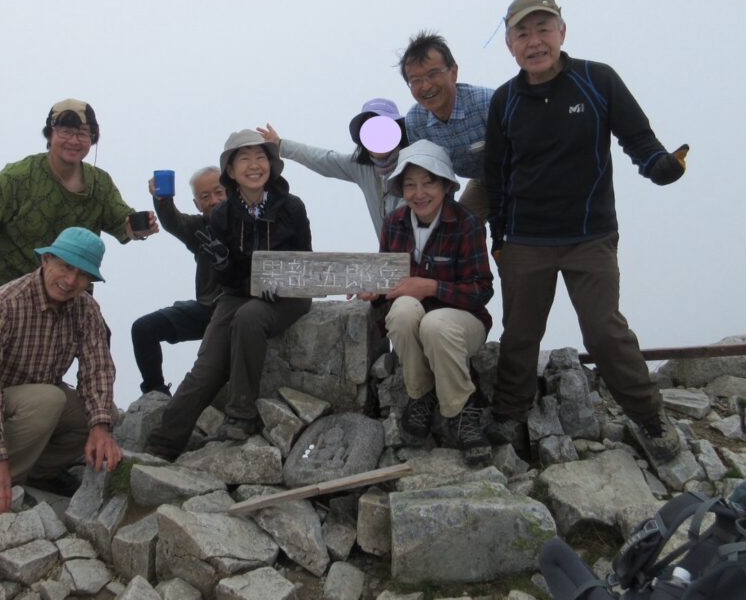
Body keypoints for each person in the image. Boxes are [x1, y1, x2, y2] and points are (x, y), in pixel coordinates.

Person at [484, 0, 689, 463]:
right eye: (522, 33)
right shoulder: (506, 101)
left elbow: (638, 138)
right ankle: (510, 411)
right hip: (526, 240)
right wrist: (500, 239)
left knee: (604, 331)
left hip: (590, 234)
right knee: (519, 333)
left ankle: (648, 415)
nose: (534, 42)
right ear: (510, 44)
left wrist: (658, 166)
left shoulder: (597, 80)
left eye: (543, 29)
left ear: (562, 32)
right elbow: (496, 174)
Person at [0, 99, 157, 483]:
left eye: (82, 133)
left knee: (52, 376)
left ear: (93, 139)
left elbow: (121, 225)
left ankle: (38, 463)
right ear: (50, 133)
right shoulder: (17, 177)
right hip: (2, 288)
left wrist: (139, 227)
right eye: (65, 130)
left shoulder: (99, 184)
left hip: (68, 289)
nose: (73, 140)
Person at [145, 130, 313, 460]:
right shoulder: (222, 215)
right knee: (205, 370)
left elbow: (304, 259)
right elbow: (228, 276)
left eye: (261, 157)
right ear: (231, 172)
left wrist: (273, 279)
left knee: (250, 317)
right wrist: (224, 265)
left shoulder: (291, 207)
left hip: (286, 296)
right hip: (236, 294)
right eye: (244, 158)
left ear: (272, 165)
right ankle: (161, 446)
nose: (254, 165)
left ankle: (240, 415)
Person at [0, 227, 123, 514]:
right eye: (66, 267)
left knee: (102, 416)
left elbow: (98, 367)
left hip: (37, 402)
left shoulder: (86, 309)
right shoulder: (2, 304)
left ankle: (38, 474)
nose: (70, 280)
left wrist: (101, 427)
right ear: (46, 261)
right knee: (49, 400)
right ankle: (0, 482)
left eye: (82, 274)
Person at [359, 140, 494, 465]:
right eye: (409, 185)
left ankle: (460, 410)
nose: (419, 193)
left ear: (446, 185)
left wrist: (430, 286)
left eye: (428, 182)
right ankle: (420, 394)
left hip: (463, 324)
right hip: (414, 320)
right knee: (403, 310)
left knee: (435, 324)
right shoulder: (394, 224)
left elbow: (481, 290)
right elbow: (387, 279)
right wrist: (375, 291)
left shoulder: (466, 224)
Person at [131, 166, 227, 394]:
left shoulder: (248, 223)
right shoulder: (198, 228)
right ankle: (155, 394)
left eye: (219, 192)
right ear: (197, 204)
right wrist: (162, 199)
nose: (213, 200)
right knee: (143, 329)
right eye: (205, 196)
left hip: (238, 314)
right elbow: (172, 221)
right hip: (207, 309)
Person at [257, 98, 408, 240]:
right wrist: (281, 145)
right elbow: (324, 159)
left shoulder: (414, 162)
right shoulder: (361, 168)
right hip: (390, 259)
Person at [400, 32, 494, 222]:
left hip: (516, 175)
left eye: (433, 74)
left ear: (453, 72)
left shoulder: (487, 103)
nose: (425, 86)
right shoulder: (415, 120)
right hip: (482, 181)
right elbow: (431, 176)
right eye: (415, 80)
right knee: (455, 225)